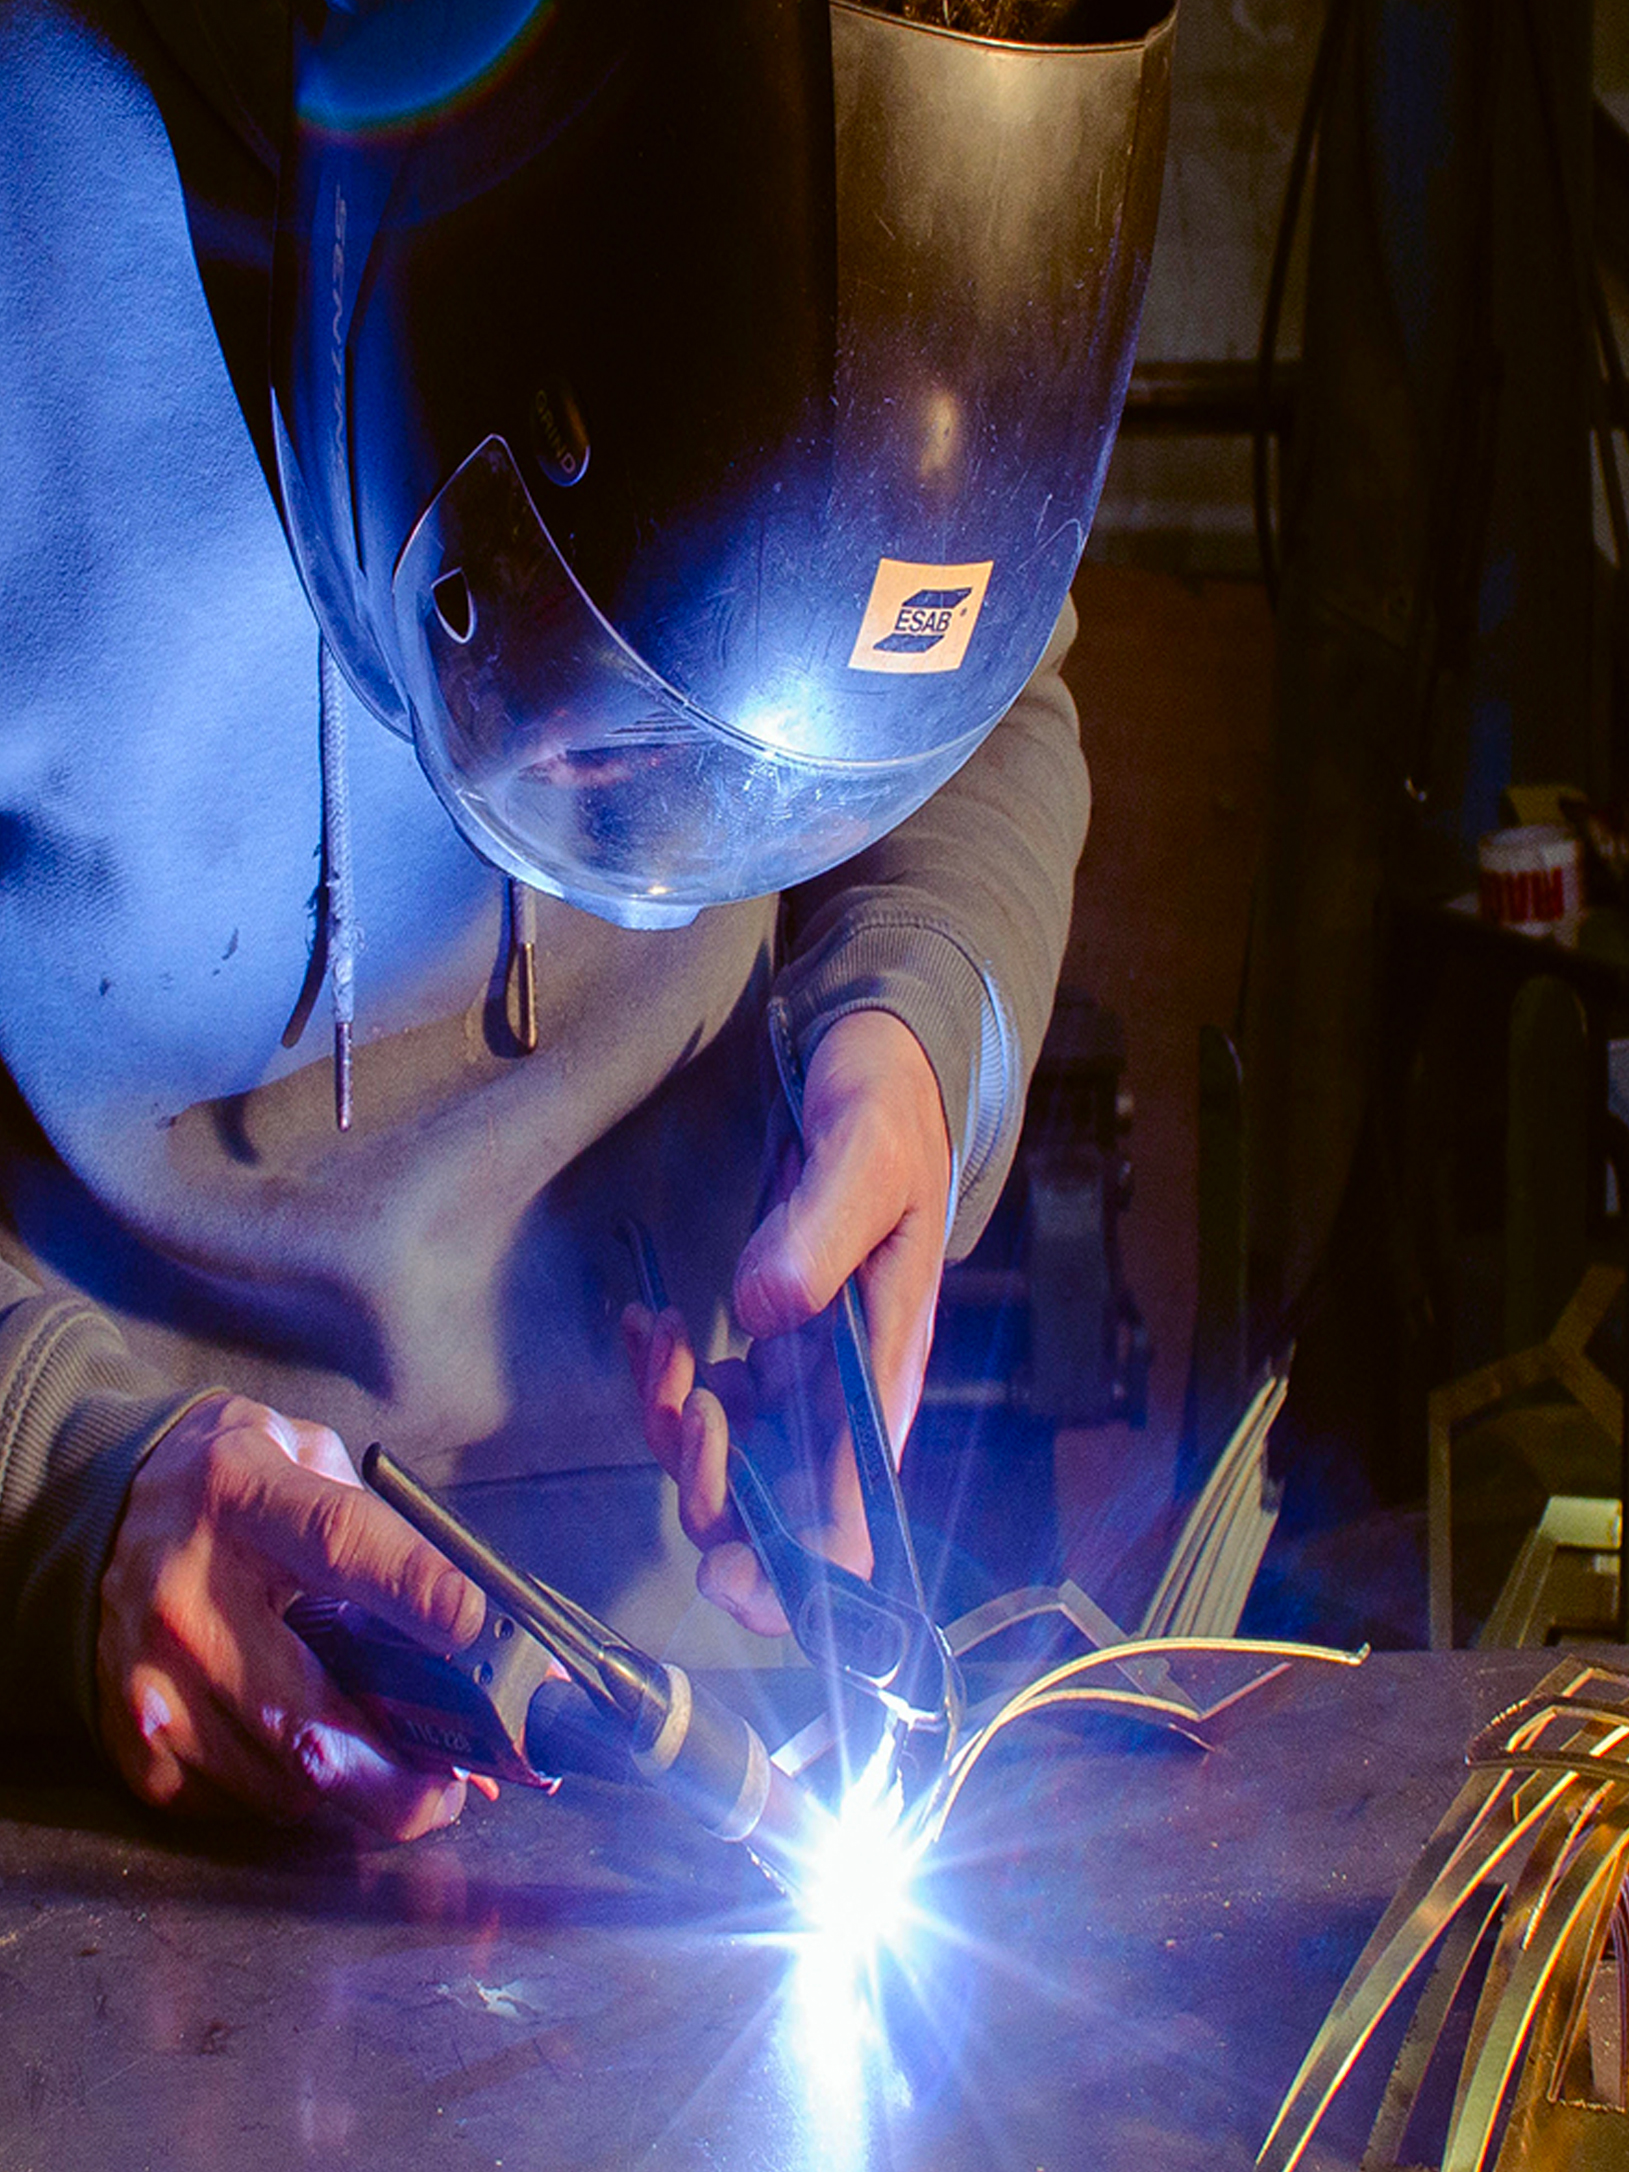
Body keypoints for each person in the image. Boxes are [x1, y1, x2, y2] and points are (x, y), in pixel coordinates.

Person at [0, 0, 1168, 1836]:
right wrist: (58, 1468)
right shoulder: (32, 193)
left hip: (690, 1710)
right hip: (129, 1686)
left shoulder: (860, 98)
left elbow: (969, 703)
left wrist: (903, 1046)